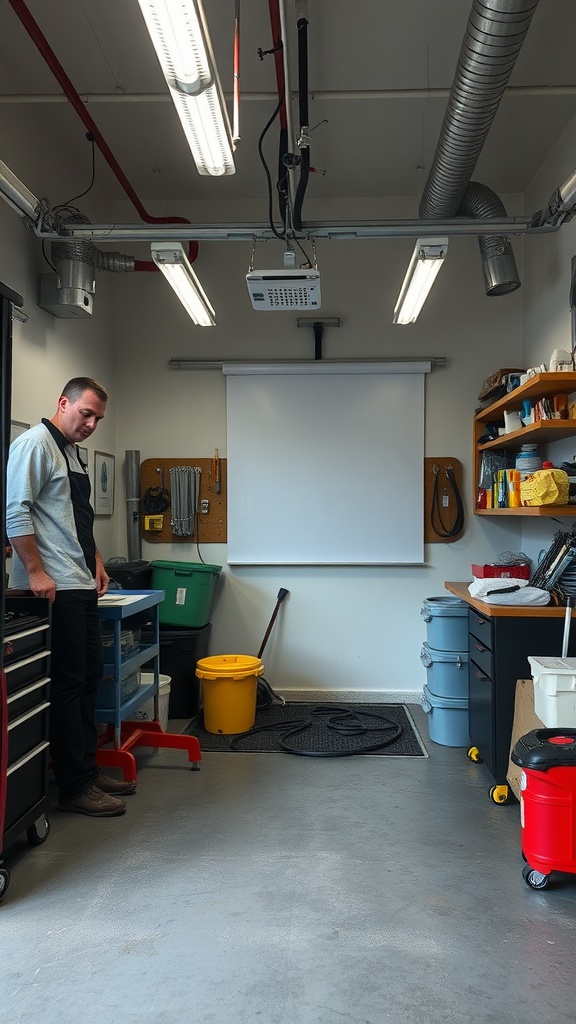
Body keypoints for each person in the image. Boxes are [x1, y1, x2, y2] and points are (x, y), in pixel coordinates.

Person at [6, 377, 135, 817]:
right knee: (65, 682)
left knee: (88, 676)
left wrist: (97, 560)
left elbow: (77, 517)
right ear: (64, 403)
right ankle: (74, 785)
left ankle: (84, 767)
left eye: (98, 418)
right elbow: (14, 510)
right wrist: (37, 572)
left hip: (80, 582)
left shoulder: (72, 454)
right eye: (86, 413)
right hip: (53, 587)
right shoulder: (35, 444)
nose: (92, 424)